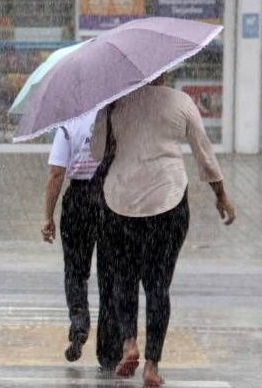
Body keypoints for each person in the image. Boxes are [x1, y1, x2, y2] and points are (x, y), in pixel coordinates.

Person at [90, 73, 235, 387]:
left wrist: (111, 116)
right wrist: (220, 195)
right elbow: (204, 153)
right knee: (158, 284)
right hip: (167, 200)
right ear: (165, 71)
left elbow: (97, 152)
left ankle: (129, 343)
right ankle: (152, 365)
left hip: (121, 200)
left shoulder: (115, 103)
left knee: (124, 276)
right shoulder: (180, 101)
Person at [41, 110, 120, 370]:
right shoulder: (114, 117)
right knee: (110, 274)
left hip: (77, 201)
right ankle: (109, 350)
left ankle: (79, 324)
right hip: (109, 198)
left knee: (76, 271)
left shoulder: (68, 125)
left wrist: (48, 216)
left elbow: (56, 174)